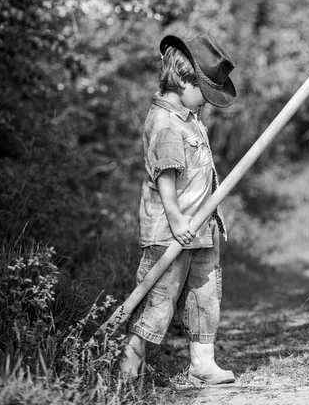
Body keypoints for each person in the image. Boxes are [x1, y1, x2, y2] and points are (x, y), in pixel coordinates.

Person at [121, 33, 237, 385]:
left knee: (205, 298)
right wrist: (175, 218)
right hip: (171, 230)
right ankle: (128, 369)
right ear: (184, 80)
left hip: (200, 229)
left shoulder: (188, 116)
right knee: (158, 302)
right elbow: (165, 176)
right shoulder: (165, 122)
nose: (206, 101)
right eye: (204, 91)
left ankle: (203, 363)